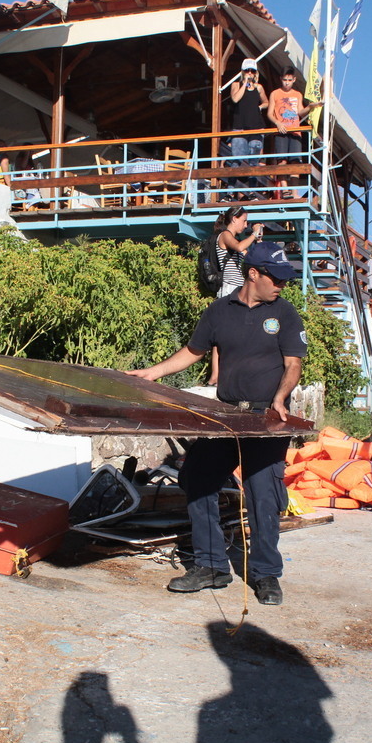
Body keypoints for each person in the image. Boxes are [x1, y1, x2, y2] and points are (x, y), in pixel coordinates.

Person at [128, 244, 305, 606]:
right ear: (253, 273)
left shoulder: (285, 312)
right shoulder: (219, 312)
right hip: (226, 414)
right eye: (277, 278)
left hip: (266, 419)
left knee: (263, 496)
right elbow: (193, 351)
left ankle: (266, 574)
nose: (282, 286)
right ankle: (211, 566)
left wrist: (280, 397)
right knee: (197, 477)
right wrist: (153, 373)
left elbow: (293, 364)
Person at [207, 206, 264, 386]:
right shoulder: (224, 236)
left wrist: (258, 239)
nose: (246, 224)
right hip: (228, 288)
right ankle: (215, 375)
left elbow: (253, 258)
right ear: (234, 219)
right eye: (244, 220)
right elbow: (239, 246)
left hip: (239, 289)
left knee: (241, 332)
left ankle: (234, 372)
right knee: (221, 333)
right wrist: (253, 234)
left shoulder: (238, 240)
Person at [267, 65, 322, 200]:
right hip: (281, 131)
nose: (286, 83)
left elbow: (299, 111)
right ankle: (284, 189)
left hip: (295, 131)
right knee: (282, 160)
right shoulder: (275, 93)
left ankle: (294, 191)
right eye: (284, 80)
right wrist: (278, 123)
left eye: (289, 80)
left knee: (295, 162)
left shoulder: (297, 94)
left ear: (294, 80)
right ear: (281, 79)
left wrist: (310, 107)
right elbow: (269, 113)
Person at [226, 58, 268, 199]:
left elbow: (266, 101)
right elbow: (235, 99)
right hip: (239, 128)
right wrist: (245, 84)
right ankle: (230, 192)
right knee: (236, 160)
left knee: (253, 162)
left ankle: (252, 192)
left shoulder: (259, 87)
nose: (250, 73)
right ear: (242, 72)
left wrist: (260, 107)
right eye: (247, 70)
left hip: (256, 128)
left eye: (252, 71)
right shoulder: (236, 85)